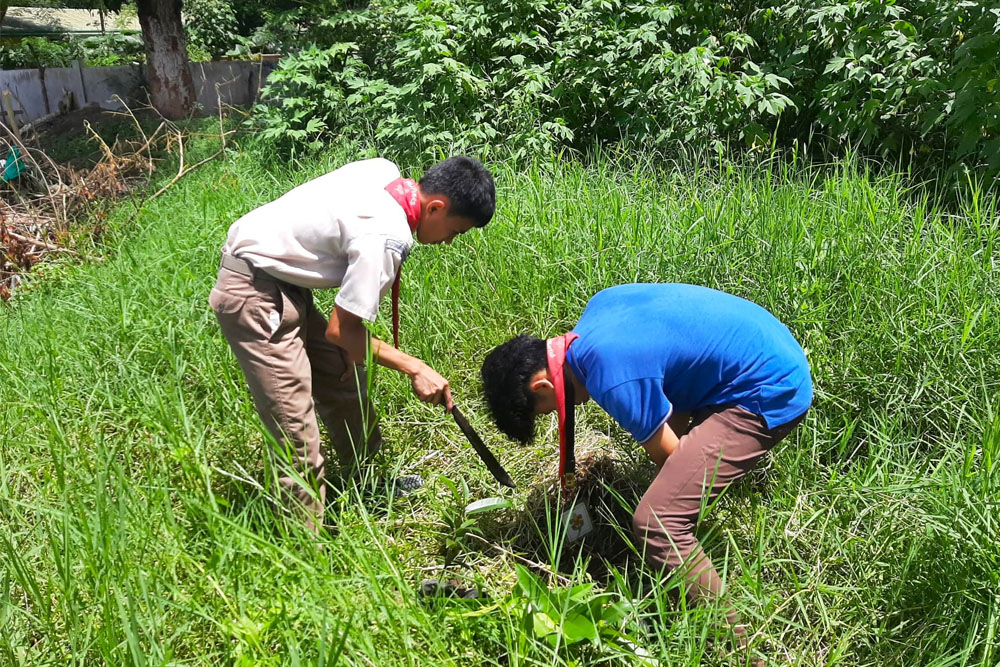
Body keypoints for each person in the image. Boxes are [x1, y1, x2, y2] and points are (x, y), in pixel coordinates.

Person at [481, 283, 812, 643]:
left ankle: (740, 648)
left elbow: (671, 458)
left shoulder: (611, 374)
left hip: (771, 387)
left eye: (549, 410)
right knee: (668, 473)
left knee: (658, 522)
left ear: (543, 386)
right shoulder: (598, 310)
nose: (563, 411)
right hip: (765, 342)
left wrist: (673, 494)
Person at [210, 156, 495, 530]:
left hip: (287, 285)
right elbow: (343, 331)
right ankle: (305, 550)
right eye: (455, 231)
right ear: (436, 207)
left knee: (344, 380)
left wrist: (352, 348)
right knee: (294, 430)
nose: (447, 242)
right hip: (254, 294)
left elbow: (345, 328)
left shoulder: (384, 173)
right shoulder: (386, 238)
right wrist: (416, 367)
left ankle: (366, 485)